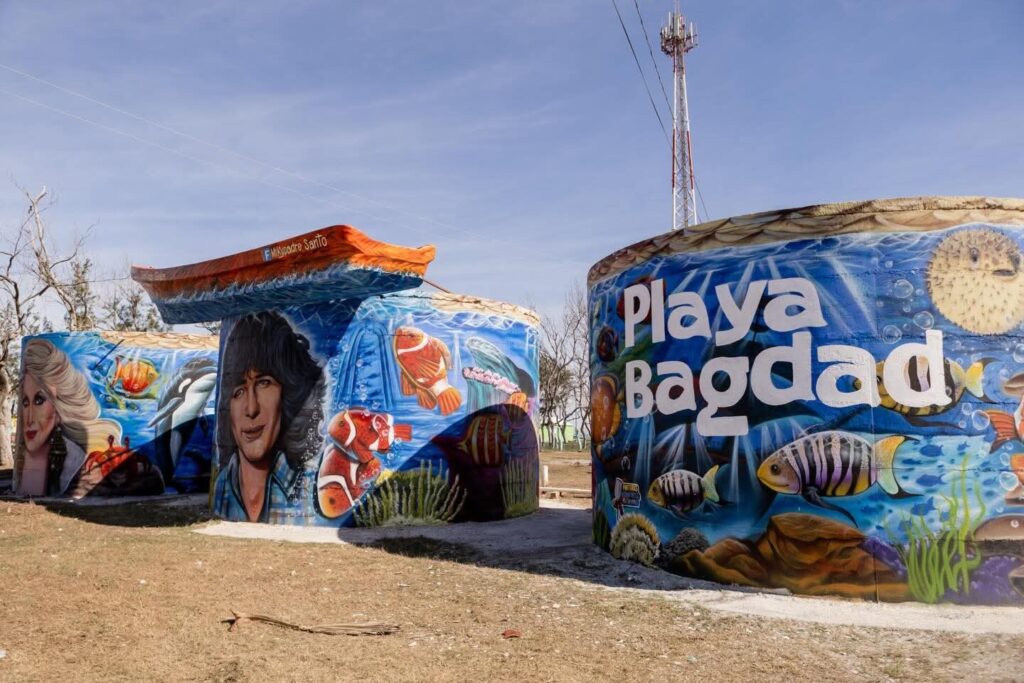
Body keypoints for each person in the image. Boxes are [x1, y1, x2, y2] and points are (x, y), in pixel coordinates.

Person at [213, 311, 325, 522]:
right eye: (239, 391)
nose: (251, 409)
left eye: (264, 383)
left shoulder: (310, 488)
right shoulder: (223, 485)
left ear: (288, 392)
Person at [14, 338, 121, 497]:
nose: (29, 419)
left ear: (59, 406)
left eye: (39, 400)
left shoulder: (78, 466)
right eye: (25, 402)